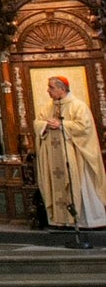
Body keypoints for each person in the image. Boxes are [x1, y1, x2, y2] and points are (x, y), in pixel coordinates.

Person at [34, 76, 106, 229]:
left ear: (62, 89)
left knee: (80, 186)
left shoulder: (78, 106)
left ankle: (86, 221)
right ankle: (61, 220)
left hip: (76, 156)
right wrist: (45, 125)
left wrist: (62, 124)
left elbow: (84, 128)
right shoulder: (47, 108)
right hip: (54, 158)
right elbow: (37, 122)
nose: (48, 90)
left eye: (51, 87)